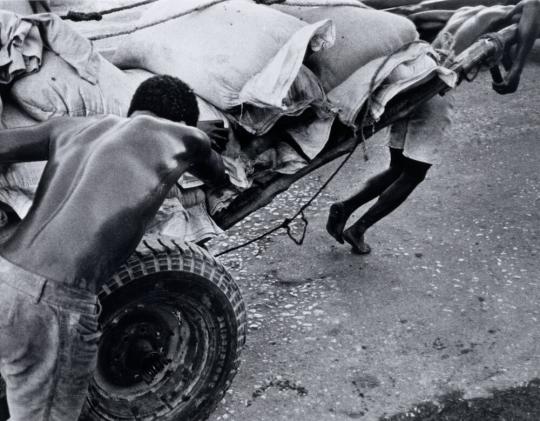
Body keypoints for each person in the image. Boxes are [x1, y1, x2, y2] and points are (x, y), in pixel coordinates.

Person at [0, 74, 230, 420]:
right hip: (54, 305)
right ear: (182, 120)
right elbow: (219, 175)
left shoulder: (72, 127)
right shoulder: (187, 136)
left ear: (133, 109)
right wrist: (201, 138)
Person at [326, 94, 453, 255]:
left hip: (409, 89)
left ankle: (346, 207)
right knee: (414, 174)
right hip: (437, 95)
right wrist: (497, 80)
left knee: (397, 167)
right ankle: (358, 229)